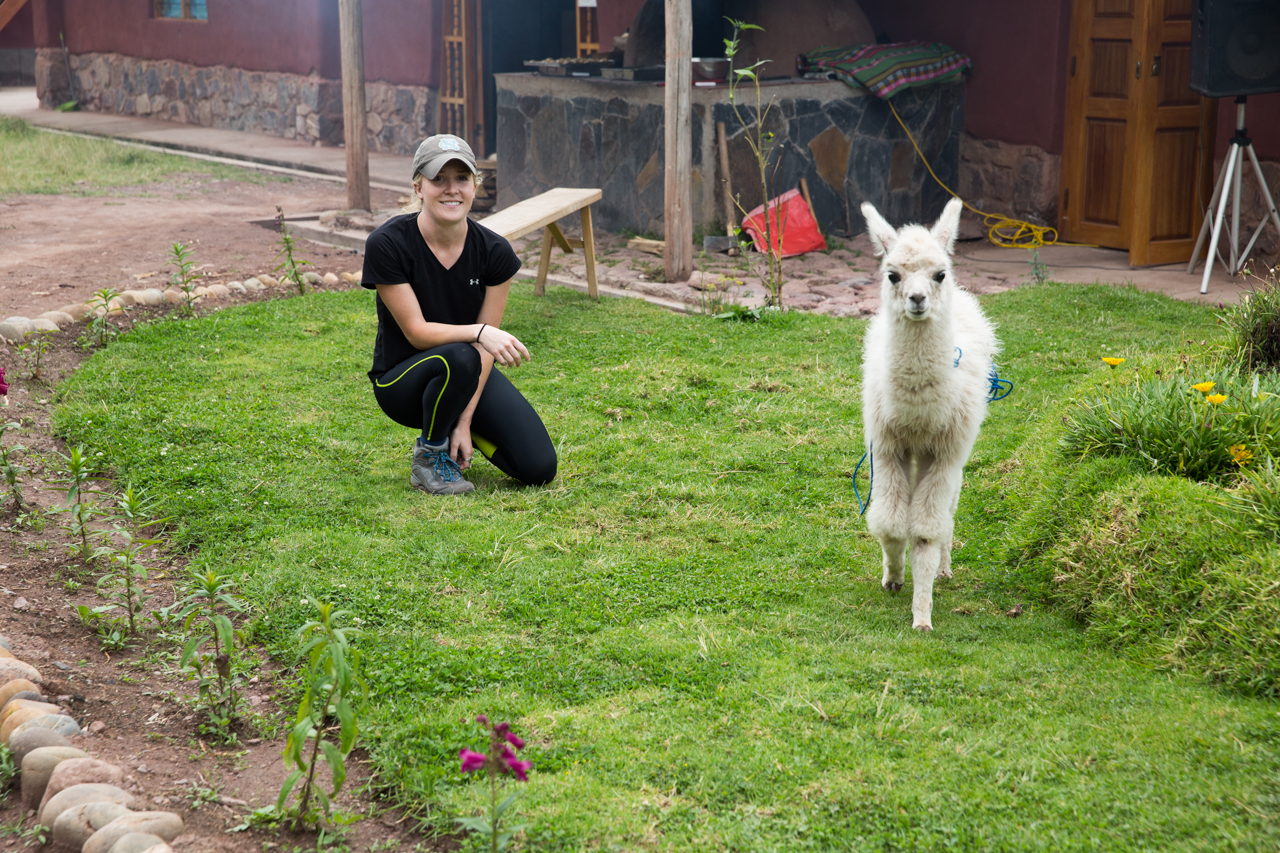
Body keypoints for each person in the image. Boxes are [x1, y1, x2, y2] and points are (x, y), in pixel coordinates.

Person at [361, 134, 556, 494]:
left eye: (462, 179)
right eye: (439, 179)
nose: (451, 190)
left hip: (465, 372)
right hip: (401, 383)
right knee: (461, 353)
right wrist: (480, 331)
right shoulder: (387, 244)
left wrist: (464, 420)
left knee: (537, 466)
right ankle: (429, 457)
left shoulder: (495, 251)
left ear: (474, 186)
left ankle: (452, 428)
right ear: (418, 187)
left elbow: (483, 354)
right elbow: (417, 333)